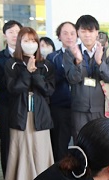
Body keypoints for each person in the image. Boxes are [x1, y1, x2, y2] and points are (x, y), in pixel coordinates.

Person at [3, 27, 55, 180]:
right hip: (19, 113)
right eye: (26, 40)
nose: (30, 44)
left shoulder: (46, 65)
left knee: (40, 149)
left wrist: (35, 74)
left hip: (40, 113)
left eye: (33, 40)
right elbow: (14, 89)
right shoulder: (12, 64)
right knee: (21, 149)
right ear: (19, 43)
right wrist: (26, 72)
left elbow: (48, 90)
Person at [63, 14, 109, 140]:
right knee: (80, 142)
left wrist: (100, 62)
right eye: (83, 31)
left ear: (97, 33)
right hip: (79, 108)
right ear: (78, 32)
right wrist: (78, 61)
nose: (87, 35)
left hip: (101, 107)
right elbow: (72, 78)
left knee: (100, 143)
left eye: (91, 31)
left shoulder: (108, 52)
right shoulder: (70, 52)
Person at [0, 20, 23, 177]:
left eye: (17, 32)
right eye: (11, 32)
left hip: (25, 106)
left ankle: (24, 176)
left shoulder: (30, 55)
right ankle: (8, 177)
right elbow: (1, 83)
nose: (15, 35)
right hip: (6, 105)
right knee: (7, 142)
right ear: (5, 35)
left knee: (24, 142)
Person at [47, 21, 77, 161]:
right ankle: (60, 176)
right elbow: (50, 81)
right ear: (59, 36)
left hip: (80, 108)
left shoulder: (83, 56)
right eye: (65, 33)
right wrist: (67, 69)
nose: (69, 36)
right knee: (60, 145)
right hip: (59, 108)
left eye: (72, 33)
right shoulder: (52, 57)